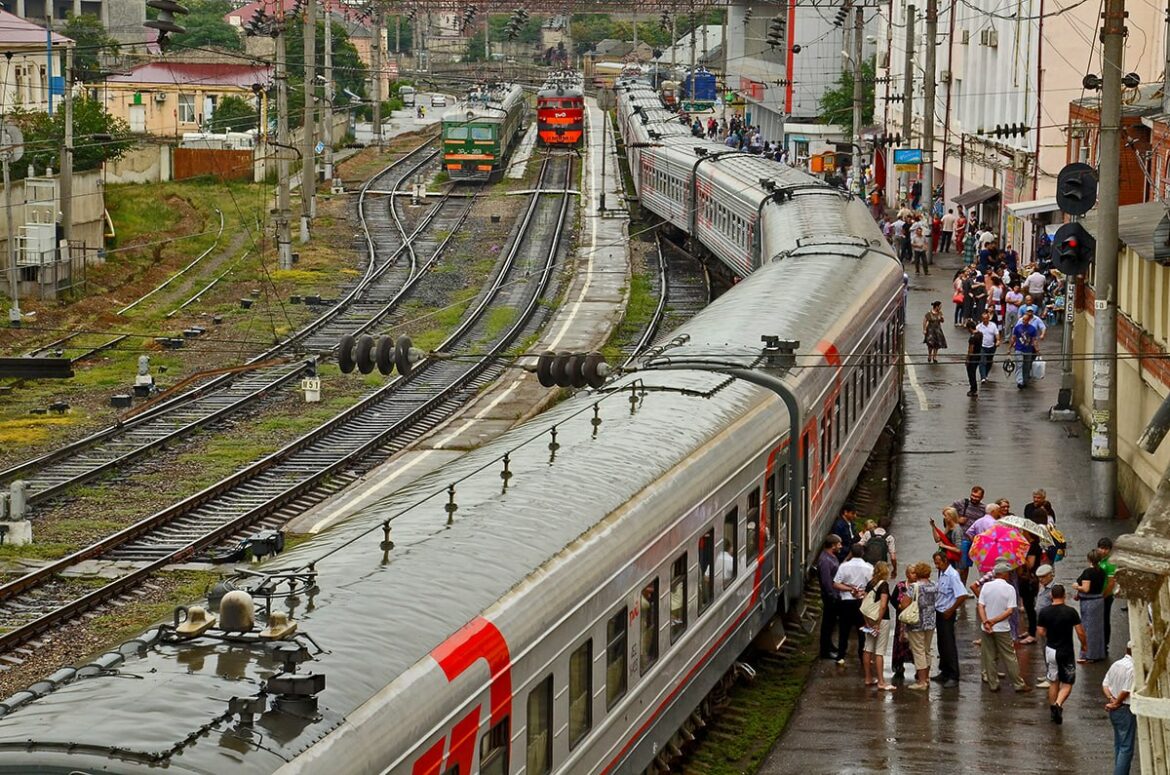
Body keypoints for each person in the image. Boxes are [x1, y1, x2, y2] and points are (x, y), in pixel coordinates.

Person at [1037, 584, 1088, 724]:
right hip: (1066, 651)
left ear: (1051, 595)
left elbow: (1040, 632)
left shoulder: (1044, 612)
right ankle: (1059, 704)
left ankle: (1053, 708)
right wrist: (1084, 645)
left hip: (1050, 650)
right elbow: (1080, 632)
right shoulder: (1071, 612)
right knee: (1067, 682)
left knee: (1053, 681)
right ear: (1064, 595)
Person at [978, 562, 1031, 692]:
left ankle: (993, 684)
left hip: (986, 628)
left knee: (989, 656)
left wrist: (986, 621)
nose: (1009, 574)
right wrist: (994, 621)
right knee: (1009, 657)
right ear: (1003, 573)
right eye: (1008, 572)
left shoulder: (986, 587)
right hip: (1002, 628)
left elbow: (981, 606)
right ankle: (1018, 684)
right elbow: (1009, 611)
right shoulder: (1009, 588)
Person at [932, 549, 968, 688]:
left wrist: (951, 609)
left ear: (945, 561)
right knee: (941, 644)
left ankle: (953, 674)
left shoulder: (952, 575)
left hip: (947, 613)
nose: (936, 566)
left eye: (938, 563)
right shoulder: (942, 573)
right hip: (940, 611)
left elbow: (962, 595)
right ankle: (944, 671)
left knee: (949, 644)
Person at [833, 543, 874, 664]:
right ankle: (862, 655)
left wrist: (850, 589)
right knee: (862, 629)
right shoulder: (869, 567)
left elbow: (835, 583)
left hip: (846, 601)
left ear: (851, 553)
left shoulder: (844, 566)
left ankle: (841, 655)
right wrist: (861, 591)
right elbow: (872, 585)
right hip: (861, 601)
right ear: (862, 553)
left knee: (844, 629)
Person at [902, 562, 938, 690]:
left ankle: (921, 681)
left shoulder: (914, 587)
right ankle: (927, 677)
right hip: (930, 622)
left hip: (916, 622)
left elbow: (904, 604)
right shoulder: (934, 585)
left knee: (918, 651)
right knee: (927, 650)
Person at [862, 561, 896, 690]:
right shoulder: (884, 585)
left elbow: (864, 603)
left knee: (868, 647)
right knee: (880, 651)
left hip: (869, 618)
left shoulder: (870, 583)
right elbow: (883, 605)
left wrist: (867, 621)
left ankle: (868, 677)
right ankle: (881, 681)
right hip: (881, 620)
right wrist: (878, 622)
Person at [1103, 643, 1136, 775]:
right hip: (1125, 708)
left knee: (1119, 744)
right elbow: (1126, 690)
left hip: (1115, 710)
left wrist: (1111, 699)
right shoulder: (1133, 668)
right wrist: (1117, 702)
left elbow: (1105, 684)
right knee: (1126, 747)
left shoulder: (1116, 664)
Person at [1075, 549, 1108, 662]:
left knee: (1087, 628)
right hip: (1098, 600)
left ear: (1089, 559)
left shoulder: (1088, 572)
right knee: (1097, 628)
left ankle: (1087, 654)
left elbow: (1086, 588)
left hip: (1089, 602)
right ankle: (1098, 653)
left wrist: (1076, 586)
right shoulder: (1102, 571)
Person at [952, 485, 988, 582]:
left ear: (982, 497)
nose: (974, 498)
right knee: (961, 565)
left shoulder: (983, 508)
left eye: (977, 497)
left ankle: (963, 587)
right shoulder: (961, 503)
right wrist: (958, 520)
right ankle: (957, 588)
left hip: (974, 541)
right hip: (961, 538)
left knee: (966, 566)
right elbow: (946, 512)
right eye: (973, 495)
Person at [817, 535, 843, 659]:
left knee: (831, 623)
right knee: (827, 623)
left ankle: (829, 645)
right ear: (832, 546)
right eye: (839, 544)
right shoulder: (825, 561)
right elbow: (826, 581)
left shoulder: (831, 557)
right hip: (830, 596)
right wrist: (832, 595)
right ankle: (825, 651)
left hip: (834, 594)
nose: (840, 546)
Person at [1098, 537, 1118, 653]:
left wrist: (1103, 596)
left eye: (1106, 549)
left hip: (1106, 596)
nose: (1103, 551)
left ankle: (1105, 644)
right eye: (1101, 548)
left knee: (1105, 620)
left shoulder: (1110, 564)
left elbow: (1111, 583)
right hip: (1099, 595)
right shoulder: (1098, 560)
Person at [1012, 309, 1041, 388]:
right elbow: (1014, 338)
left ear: (1028, 320)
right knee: (1019, 365)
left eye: (1025, 320)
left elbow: (1034, 340)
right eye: (1023, 319)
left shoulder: (1032, 329)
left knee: (1027, 366)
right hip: (1019, 349)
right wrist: (1010, 348)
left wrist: (1037, 349)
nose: (1023, 321)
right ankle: (1019, 381)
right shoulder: (1017, 328)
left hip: (1028, 350)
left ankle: (1025, 380)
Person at [975, 310, 1001, 384]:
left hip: (991, 347)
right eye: (984, 319)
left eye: (987, 318)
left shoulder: (993, 325)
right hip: (982, 346)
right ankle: (983, 377)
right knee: (982, 361)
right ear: (982, 319)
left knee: (989, 362)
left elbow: (997, 334)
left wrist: (998, 340)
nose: (985, 320)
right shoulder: (979, 327)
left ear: (989, 318)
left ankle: (985, 375)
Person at [963, 320, 981, 397]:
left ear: (970, 328)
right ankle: (974, 388)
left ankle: (973, 389)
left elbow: (971, 349)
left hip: (973, 356)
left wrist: (967, 359)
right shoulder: (980, 334)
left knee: (971, 373)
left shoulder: (973, 337)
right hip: (979, 355)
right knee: (973, 372)